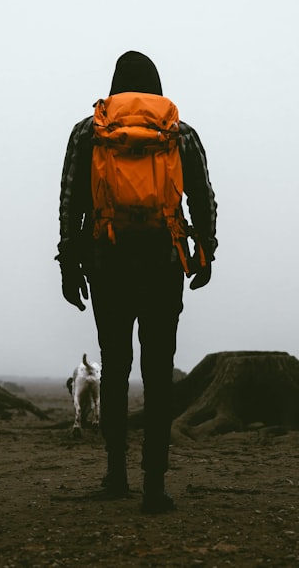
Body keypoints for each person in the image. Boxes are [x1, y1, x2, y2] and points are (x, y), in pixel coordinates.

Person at [56, 50, 218, 513]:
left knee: (115, 365)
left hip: (106, 261)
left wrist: (69, 265)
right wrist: (205, 252)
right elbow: (202, 197)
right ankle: (155, 485)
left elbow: (69, 202)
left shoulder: (90, 131)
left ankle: (114, 474)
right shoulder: (178, 132)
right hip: (163, 262)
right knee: (158, 372)